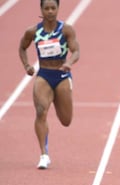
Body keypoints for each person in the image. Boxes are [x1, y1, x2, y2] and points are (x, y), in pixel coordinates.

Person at [18, 0, 80, 169]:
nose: (50, 11)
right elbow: (22, 47)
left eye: (53, 8)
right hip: (44, 74)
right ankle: (44, 154)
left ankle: (55, 99)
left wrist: (70, 62)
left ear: (58, 9)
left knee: (66, 120)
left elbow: (76, 51)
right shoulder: (33, 31)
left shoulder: (66, 29)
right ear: (41, 9)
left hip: (61, 74)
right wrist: (27, 65)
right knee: (40, 111)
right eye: (47, 8)